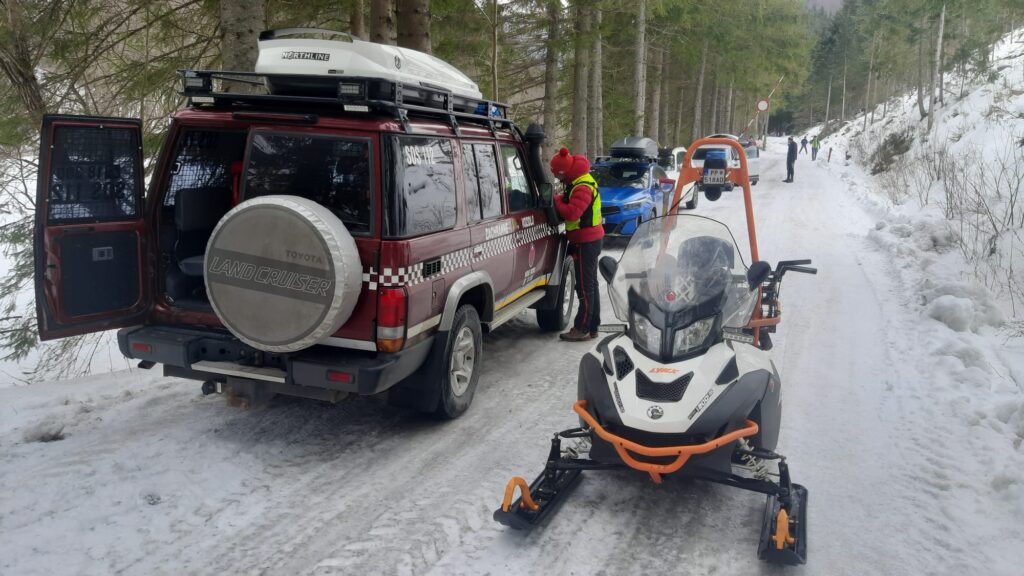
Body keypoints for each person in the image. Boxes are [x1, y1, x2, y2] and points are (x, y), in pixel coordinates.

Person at [550, 147, 603, 341]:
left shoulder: (582, 187)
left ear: (564, 172)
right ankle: (593, 325)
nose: (557, 177)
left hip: (585, 242)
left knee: (584, 288)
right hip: (589, 240)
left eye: (557, 174)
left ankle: (583, 328)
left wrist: (556, 201)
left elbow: (572, 213)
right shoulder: (580, 181)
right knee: (591, 286)